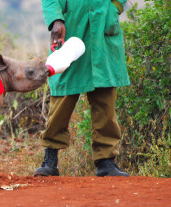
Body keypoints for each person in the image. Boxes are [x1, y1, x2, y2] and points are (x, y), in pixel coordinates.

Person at [34, 0, 130, 177]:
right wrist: (56, 18)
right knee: (63, 94)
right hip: (71, 26)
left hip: (103, 24)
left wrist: (114, 7)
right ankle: (50, 158)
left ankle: (106, 161)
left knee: (105, 96)